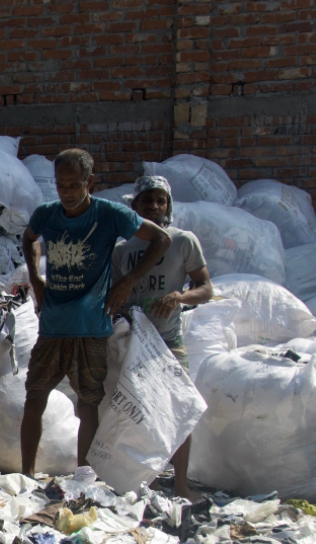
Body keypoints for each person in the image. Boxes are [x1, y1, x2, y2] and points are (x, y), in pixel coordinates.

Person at [19, 148, 172, 477]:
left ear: (90, 182)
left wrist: (128, 282)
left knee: (88, 401)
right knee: (35, 395)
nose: (68, 193)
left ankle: (83, 475)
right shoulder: (47, 215)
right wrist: (36, 279)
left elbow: (161, 239)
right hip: (53, 326)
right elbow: (28, 238)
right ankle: (27, 474)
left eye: (75, 185)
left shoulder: (110, 214)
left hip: (91, 326)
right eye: (61, 186)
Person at [112, 175, 212, 499]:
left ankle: (180, 484)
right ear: (135, 206)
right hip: (133, 344)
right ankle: (149, 485)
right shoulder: (122, 248)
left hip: (168, 343)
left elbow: (206, 289)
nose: (155, 206)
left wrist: (180, 297)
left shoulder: (183, 242)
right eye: (147, 201)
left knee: (181, 411)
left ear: (168, 205)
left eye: (161, 200)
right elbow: (113, 295)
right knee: (140, 416)